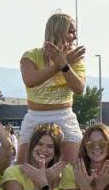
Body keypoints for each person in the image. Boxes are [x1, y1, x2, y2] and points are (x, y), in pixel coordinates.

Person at [17, 10, 86, 144]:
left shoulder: (76, 59)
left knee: (74, 163)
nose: (75, 37)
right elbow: (30, 81)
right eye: (72, 32)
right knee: (22, 164)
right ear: (58, 32)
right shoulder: (31, 56)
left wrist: (65, 65)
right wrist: (60, 63)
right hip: (35, 116)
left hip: (64, 116)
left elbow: (79, 88)